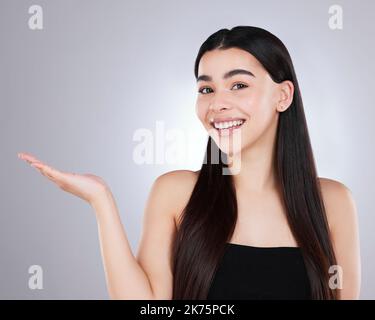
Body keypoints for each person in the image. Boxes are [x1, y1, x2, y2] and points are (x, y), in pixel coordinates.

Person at [18, 26, 361, 300]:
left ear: (283, 96)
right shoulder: (176, 191)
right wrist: (101, 201)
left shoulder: (333, 202)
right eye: (206, 89)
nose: (218, 104)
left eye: (238, 85)